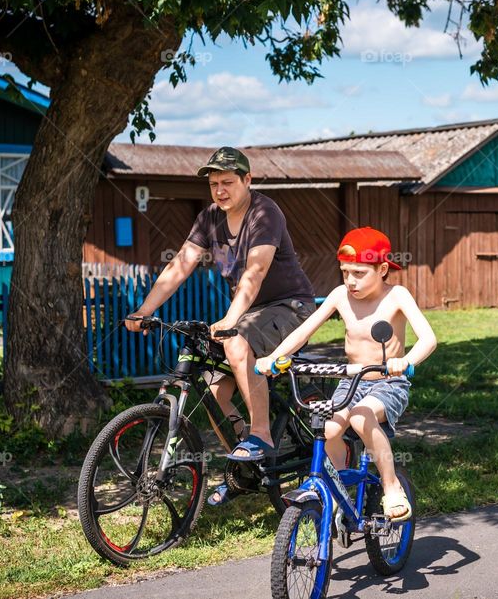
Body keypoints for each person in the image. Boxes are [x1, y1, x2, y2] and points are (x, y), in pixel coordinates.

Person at [125, 146, 316, 505]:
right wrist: (144, 310)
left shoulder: (265, 212)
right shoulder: (209, 218)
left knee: (236, 340)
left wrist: (232, 321)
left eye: (227, 182)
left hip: (291, 307)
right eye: (214, 184)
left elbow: (256, 271)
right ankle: (244, 469)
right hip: (251, 312)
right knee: (214, 389)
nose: (220, 190)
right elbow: (181, 264)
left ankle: (261, 434)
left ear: (248, 180)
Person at [256, 227, 436, 521]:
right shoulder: (341, 296)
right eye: (345, 272)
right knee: (325, 430)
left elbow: (429, 339)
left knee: (361, 417)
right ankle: (338, 485)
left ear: (382, 269)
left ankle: (391, 486)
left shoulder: (397, 296)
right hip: (351, 382)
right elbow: (304, 330)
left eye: (359, 273)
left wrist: (406, 360)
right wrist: (276, 357)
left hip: (388, 383)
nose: (351, 281)